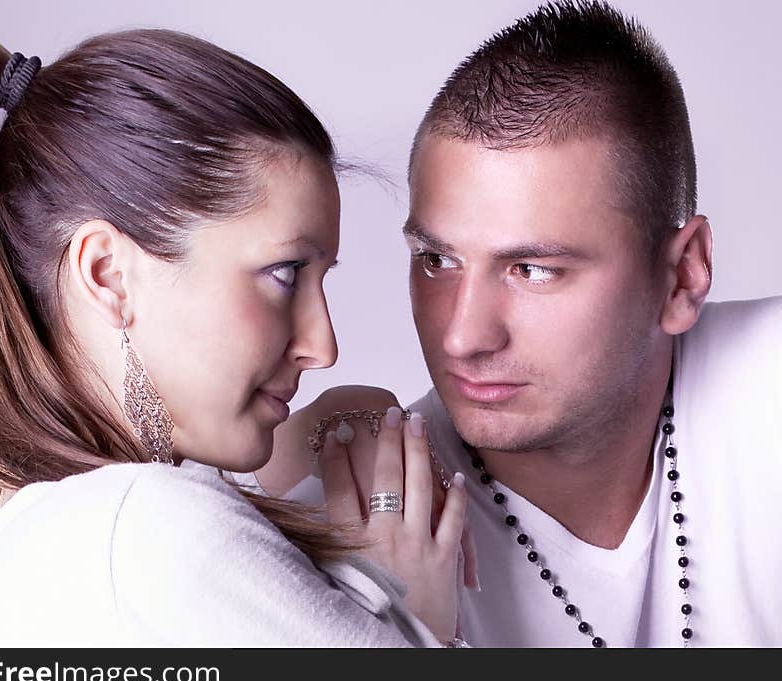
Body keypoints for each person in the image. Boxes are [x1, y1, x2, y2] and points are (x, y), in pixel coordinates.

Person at [0, 29, 469, 647]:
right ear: (108, 275)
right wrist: (412, 610)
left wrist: (338, 424)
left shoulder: (54, 543)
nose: (322, 345)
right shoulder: (152, 532)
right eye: (285, 274)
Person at [268, 1, 782, 647]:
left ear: (683, 275)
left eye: (532, 269)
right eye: (438, 260)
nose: (462, 337)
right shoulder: (351, 530)